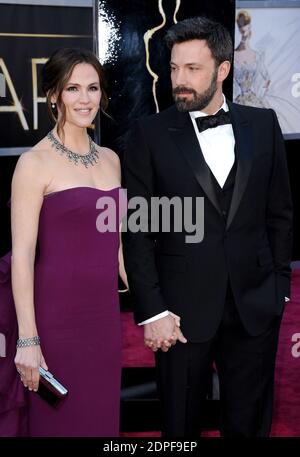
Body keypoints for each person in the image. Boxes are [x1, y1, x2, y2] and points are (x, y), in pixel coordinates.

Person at [123, 17, 293, 437]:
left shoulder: (264, 126)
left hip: (254, 308)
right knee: (179, 429)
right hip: (179, 314)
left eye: (192, 69)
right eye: (175, 67)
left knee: (250, 424)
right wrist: (153, 311)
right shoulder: (149, 134)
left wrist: (279, 287)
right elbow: (138, 230)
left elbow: (280, 215)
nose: (179, 80)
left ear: (222, 70)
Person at [0, 47, 127, 437]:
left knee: (102, 421)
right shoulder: (33, 164)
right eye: (73, 88)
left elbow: (117, 246)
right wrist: (28, 339)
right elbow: (22, 257)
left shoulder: (111, 159)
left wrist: (161, 300)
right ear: (53, 94)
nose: (85, 99)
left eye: (93, 88)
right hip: (55, 322)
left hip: (104, 321)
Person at [233, 10, 270, 108]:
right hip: (239, 101)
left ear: (249, 26)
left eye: (244, 24)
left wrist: (260, 95)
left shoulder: (256, 56)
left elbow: (267, 79)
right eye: (240, 25)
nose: (242, 28)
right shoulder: (233, 55)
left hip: (253, 100)